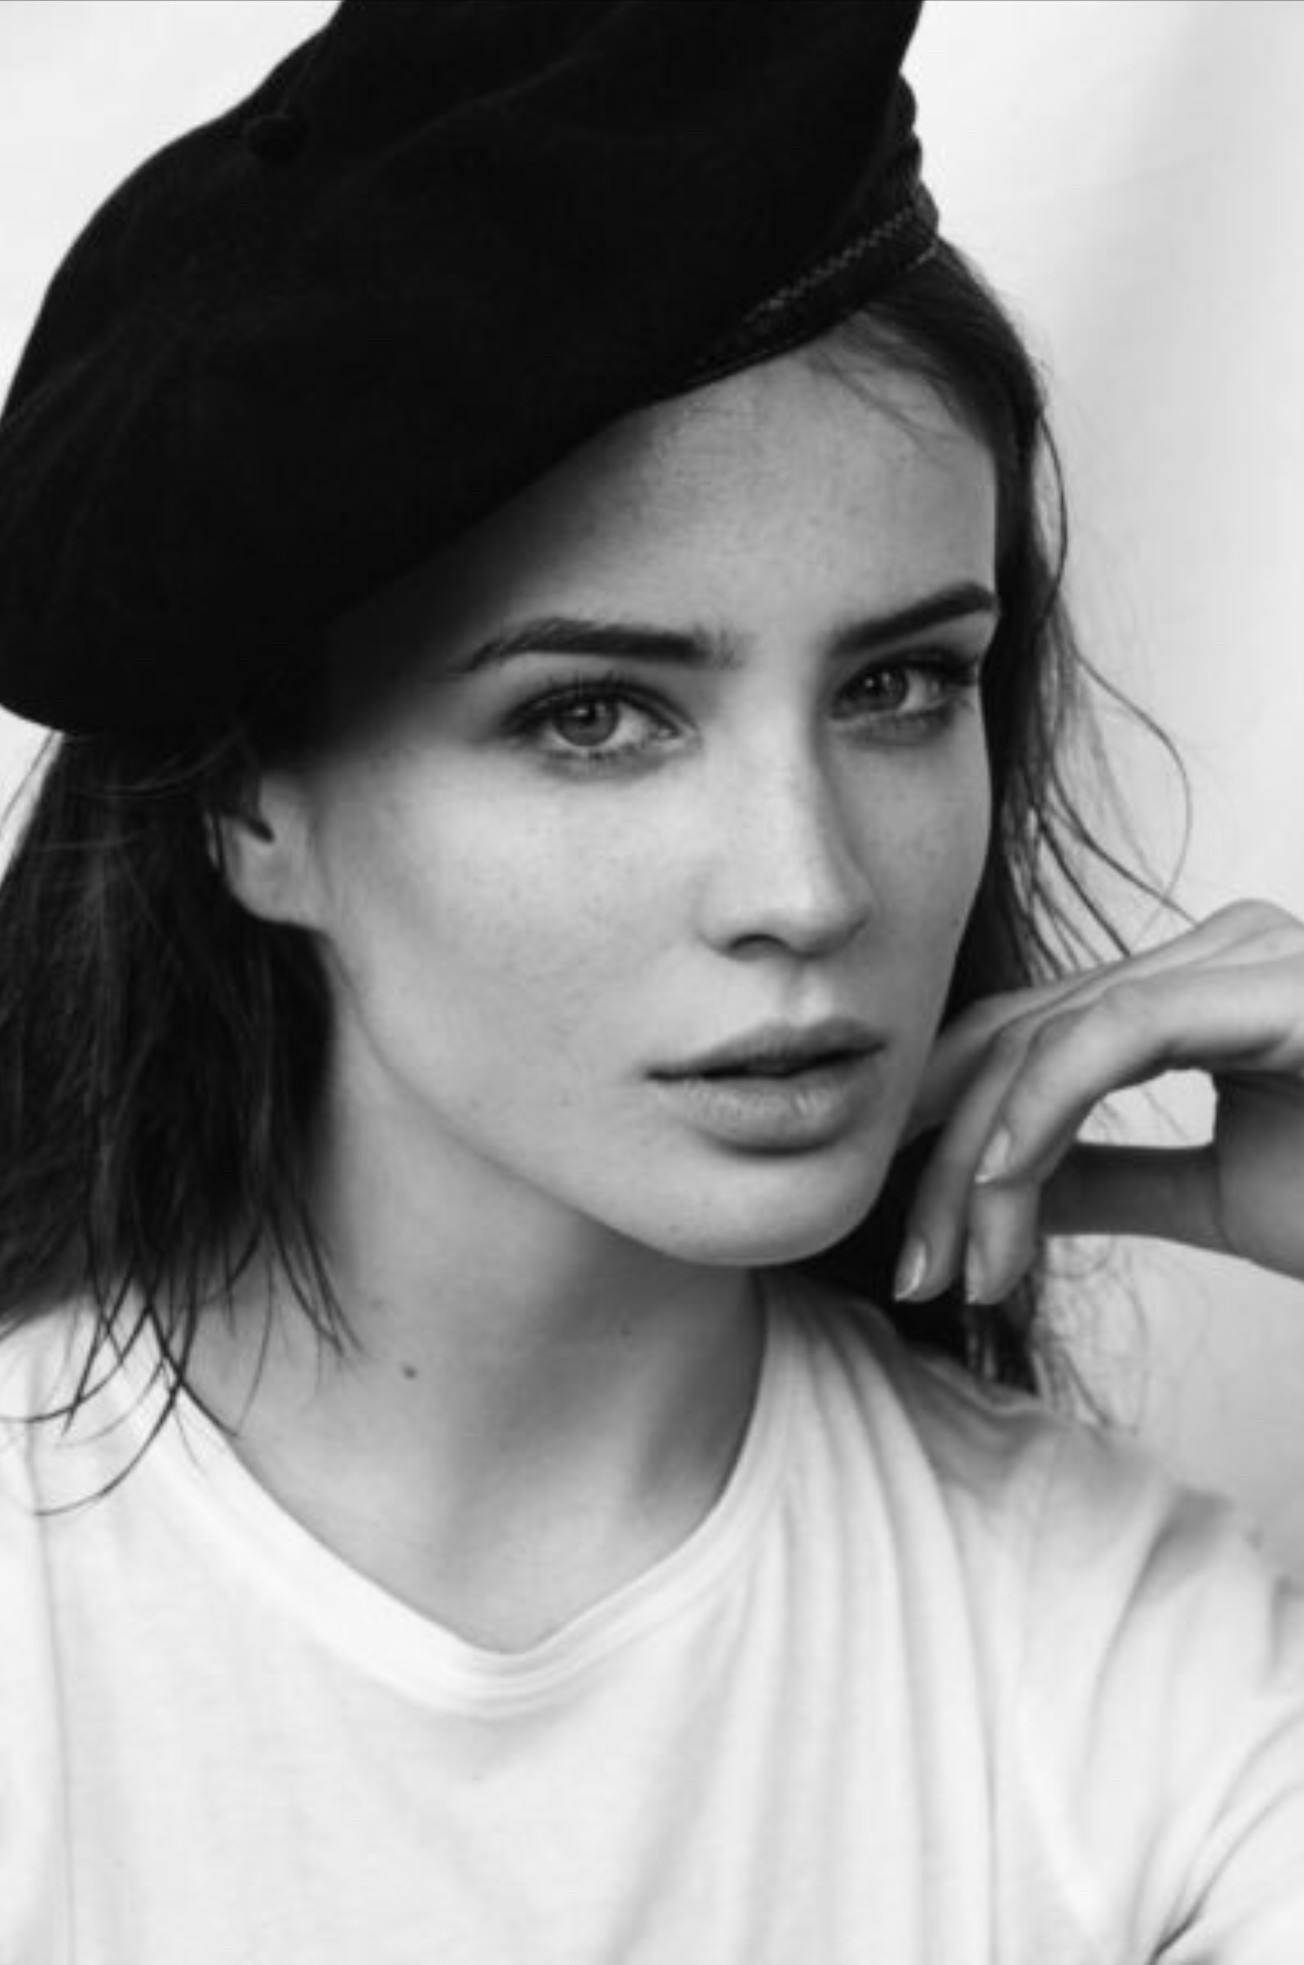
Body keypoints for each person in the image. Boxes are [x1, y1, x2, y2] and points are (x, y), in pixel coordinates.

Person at [0, 2, 1301, 1959]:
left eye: (899, 685)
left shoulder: (1116, 1671)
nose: (807, 884)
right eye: (593, 714)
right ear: (254, 804)